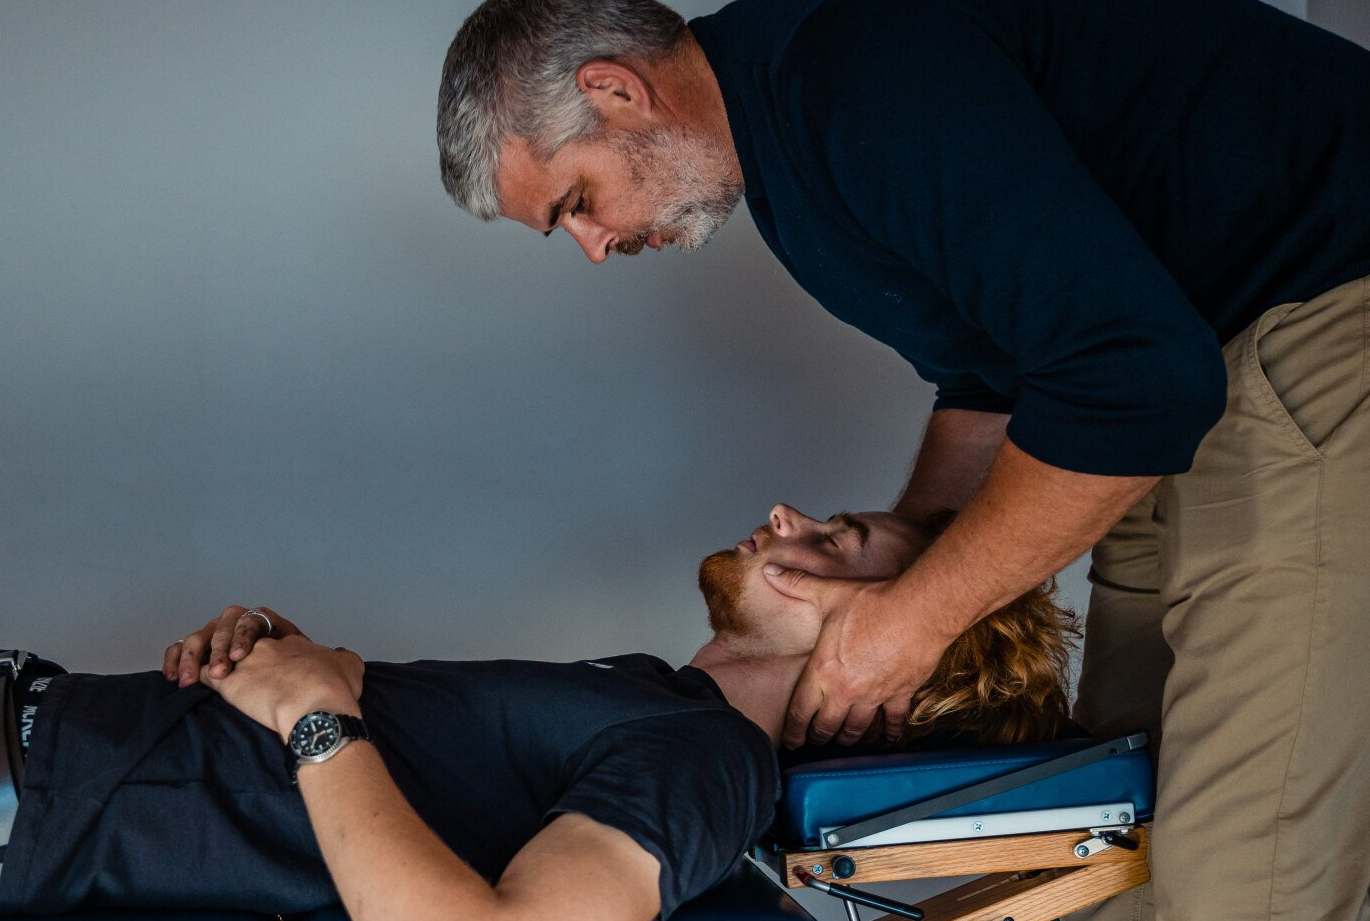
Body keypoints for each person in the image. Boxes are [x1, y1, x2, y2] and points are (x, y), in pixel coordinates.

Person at [435, 1, 1370, 918]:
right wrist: (902, 562)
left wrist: (916, 618)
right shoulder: (788, 160)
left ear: (615, 91)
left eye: (577, 204)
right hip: (1182, 362)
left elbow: (1135, 382)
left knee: (1245, 873)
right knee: (1109, 834)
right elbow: (990, 382)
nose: (597, 247)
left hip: (1319, 309)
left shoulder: (851, 75)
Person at [0, 505, 1077, 919]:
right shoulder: (664, 701)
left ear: (886, 658)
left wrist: (315, 719)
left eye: (837, 542)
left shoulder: (710, 763)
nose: (788, 517)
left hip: (36, 805)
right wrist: (290, 669)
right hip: (50, 747)